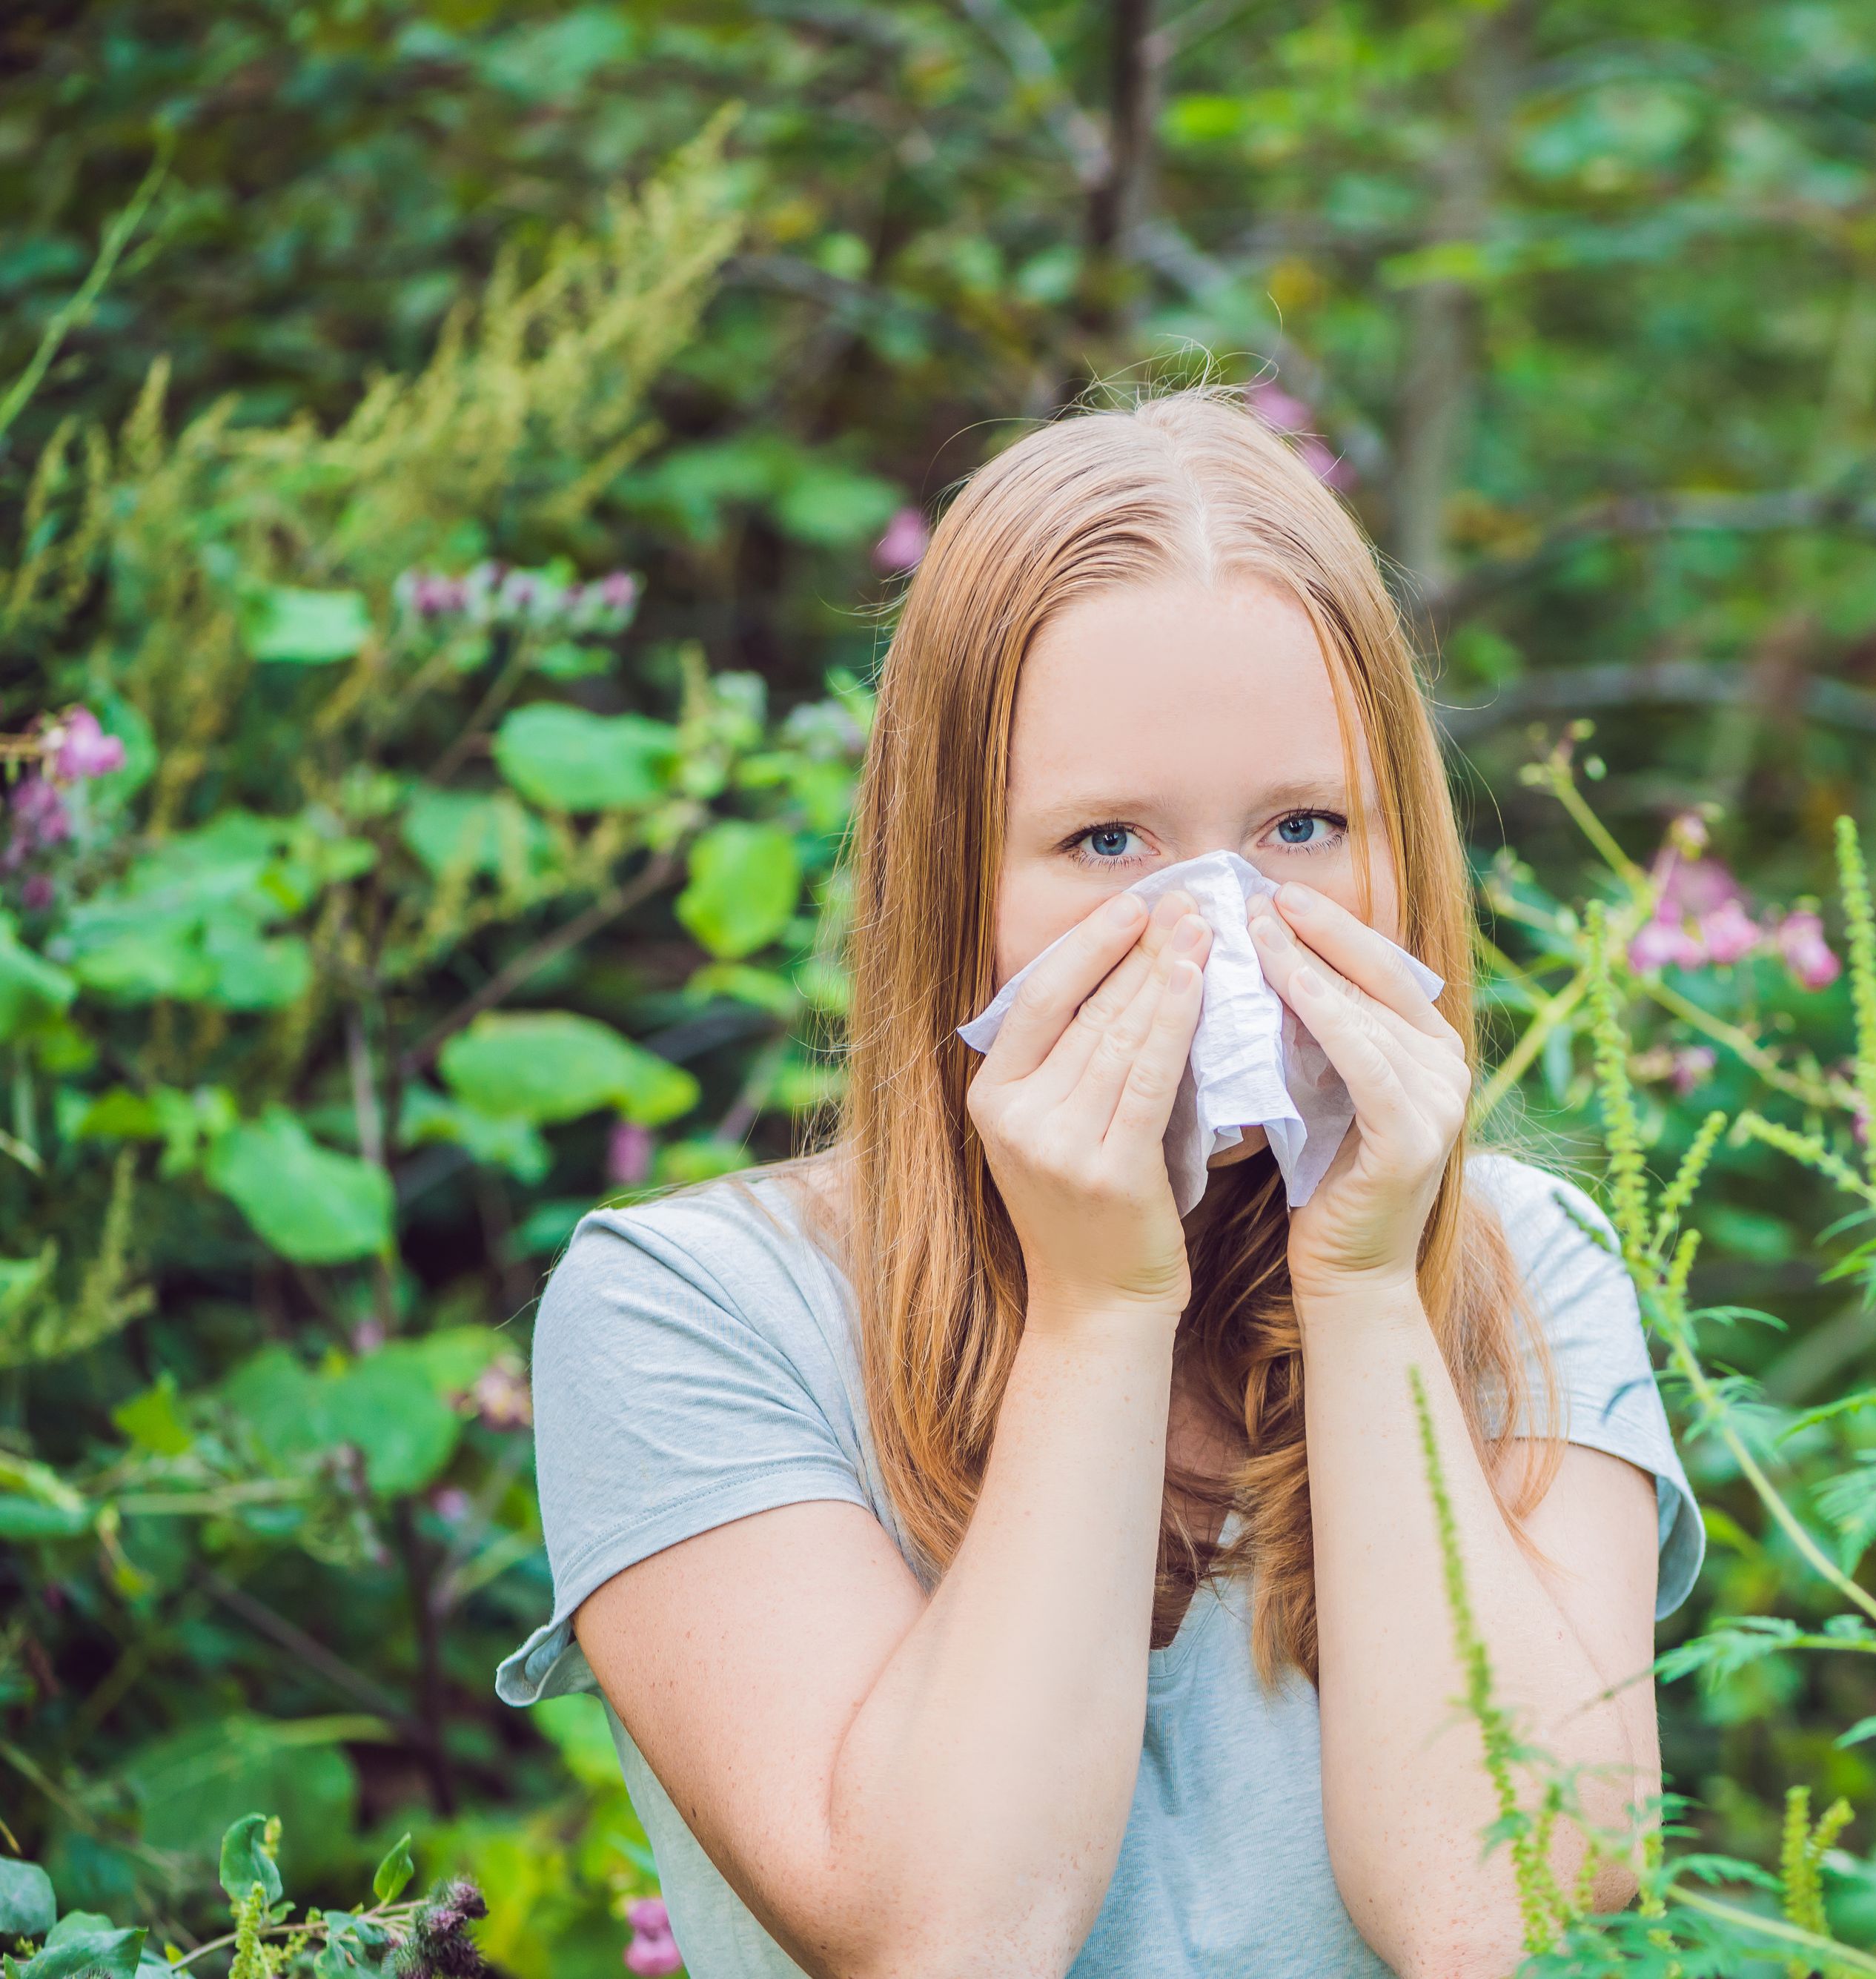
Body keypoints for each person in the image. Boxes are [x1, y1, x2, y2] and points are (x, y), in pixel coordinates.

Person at [494, 388, 1705, 1979]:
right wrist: (1098, 1307)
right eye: (1110, 842)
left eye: (1301, 825)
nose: (1218, 923)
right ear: (955, 882)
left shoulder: (1524, 1270)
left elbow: (1512, 1921)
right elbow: (944, 1940)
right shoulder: (691, 1312)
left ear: (1400, 851)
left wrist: (1363, 1291)